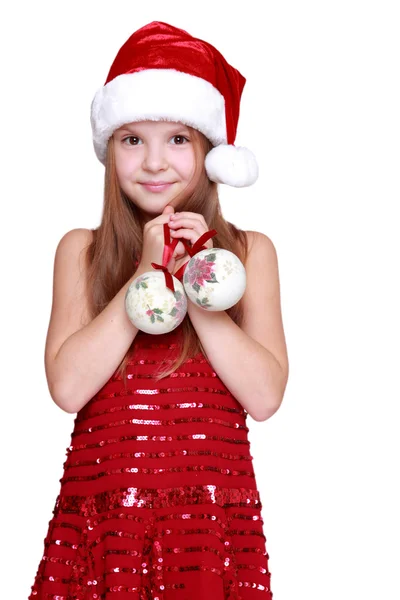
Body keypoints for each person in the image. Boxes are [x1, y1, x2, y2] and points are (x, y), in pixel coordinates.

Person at [29, 20, 289, 600]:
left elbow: (266, 397)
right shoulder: (83, 251)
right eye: (131, 140)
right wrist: (147, 275)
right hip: (106, 519)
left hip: (208, 524)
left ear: (209, 152)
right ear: (109, 150)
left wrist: (197, 279)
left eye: (177, 139)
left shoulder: (249, 254)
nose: (153, 162)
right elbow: (68, 388)